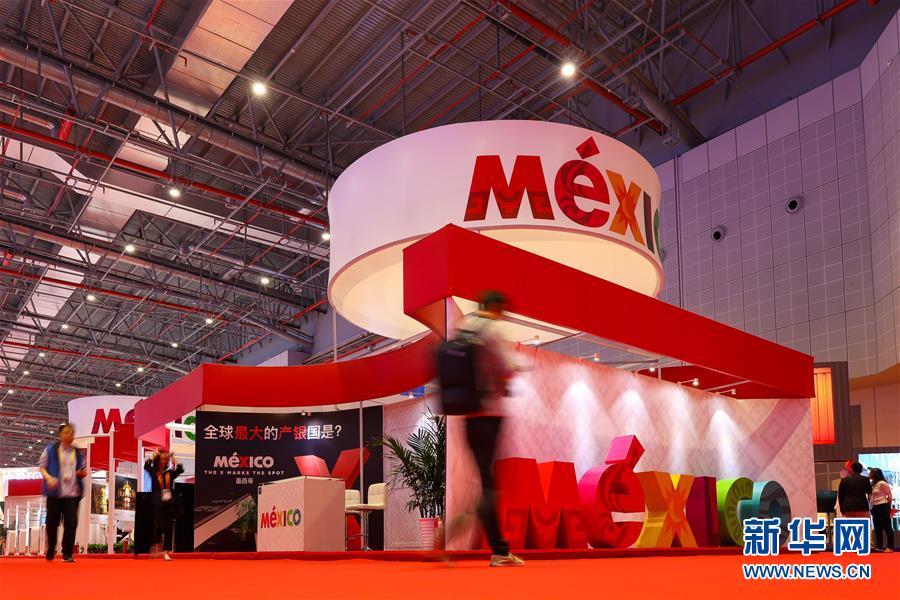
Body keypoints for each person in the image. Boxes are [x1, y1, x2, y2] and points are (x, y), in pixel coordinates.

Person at [458, 291, 524, 567]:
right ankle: (498, 550)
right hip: (489, 415)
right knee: (490, 483)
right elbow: (504, 368)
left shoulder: (465, 329)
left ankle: (496, 546)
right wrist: (517, 369)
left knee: (485, 479)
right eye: (503, 309)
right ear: (495, 307)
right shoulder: (491, 329)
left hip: (468, 415)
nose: (504, 314)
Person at [39, 423, 88, 562]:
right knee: (52, 522)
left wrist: (82, 473)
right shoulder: (51, 449)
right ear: (60, 434)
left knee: (71, 523)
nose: (69, 436)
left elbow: (82, 469)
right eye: (66, 433)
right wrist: (48, 478)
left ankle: (67, 553)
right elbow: (42, 467)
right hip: (55, 492)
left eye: (71, 433)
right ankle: (51, 547)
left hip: (72, 493)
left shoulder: (78, 452)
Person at [144, 449, 184, 560]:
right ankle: (156, 545)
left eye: (165, 459)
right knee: (159, 525)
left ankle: (166, 552)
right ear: (158, 460)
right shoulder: (154, 472)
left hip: (169, 504)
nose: (164, 461)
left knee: (169, 527)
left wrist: (174, 458)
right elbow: (146, 465)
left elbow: (180, 469)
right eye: (162, 459)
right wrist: (154, 455)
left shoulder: (169, 473)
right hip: (158, 504)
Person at [869, 468, 894, 553]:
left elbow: (889, 496)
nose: (869, 474)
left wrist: (888, 508)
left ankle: (890, 547)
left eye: (871, 472)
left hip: (883, 506)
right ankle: (879, 546)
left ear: (875, 474)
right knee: (877, 527)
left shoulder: (882, 483)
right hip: (874, 507)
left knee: (887, 527)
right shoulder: (872, 483)